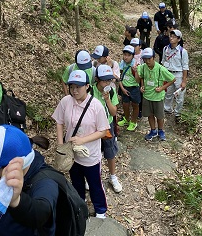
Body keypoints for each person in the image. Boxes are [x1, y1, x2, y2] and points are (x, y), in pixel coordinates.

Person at [52, 70, 109, 219]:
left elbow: (103, 131)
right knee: (76, 182)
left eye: (79, 86)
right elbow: (59, 122)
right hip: (72, 154)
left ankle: (100, 210)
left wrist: (82, 140)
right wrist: (60, 145)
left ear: (87, 86)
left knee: (95, 183)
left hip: (90, 154)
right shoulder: (66, 101)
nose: (75, 90)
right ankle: (80, 205)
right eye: (72, 87)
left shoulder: (96, 106)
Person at [91, 65, 122, 193]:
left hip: (107, 126)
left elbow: (114, 112)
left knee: (110, 152)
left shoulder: (112, 91)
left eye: (109, 80)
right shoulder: (90, 91)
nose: (107, 83)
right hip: (93, 127)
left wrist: (107, 99)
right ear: (97, 79)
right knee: (94, 152)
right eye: (104, 80)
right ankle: (93, 178)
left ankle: (112, 177)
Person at [134, 48, 176, 141]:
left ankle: (161, 131)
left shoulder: (161, 69)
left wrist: (162, 88)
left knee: (160, 116)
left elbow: (172, 79)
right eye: (145, 59)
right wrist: (142, 85)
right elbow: (140, 78)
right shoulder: (143, 67)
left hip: (158, 97)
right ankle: (153, 130)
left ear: (154, 58)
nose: (147, 61)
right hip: (147, 96)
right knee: (150, 115)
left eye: (149, 58)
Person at [162, 30, 189, 121]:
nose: (171, 38)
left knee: (179, 95)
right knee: (167, 93)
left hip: (178, 75)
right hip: (168, 74)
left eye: (174, 36)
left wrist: (184, 81)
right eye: (171, 36)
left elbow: (185, 67)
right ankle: (167, 109)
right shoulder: (165, 49)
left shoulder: (183, 51)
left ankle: (178, 113)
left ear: (179, 39)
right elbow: (163, 62)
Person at [117, 45, 141, 131]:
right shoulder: (122, 63)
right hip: (124, 87)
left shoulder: (136, 65)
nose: (126, 57)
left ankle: (133, 121)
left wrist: (136, 71)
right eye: (125, 54)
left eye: (128, 55)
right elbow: (119, 77)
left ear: (133, 56)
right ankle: (127, 119)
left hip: (134, 88)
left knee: (135, 105)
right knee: (125, 105)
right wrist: (122, 88)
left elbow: (138, 80)